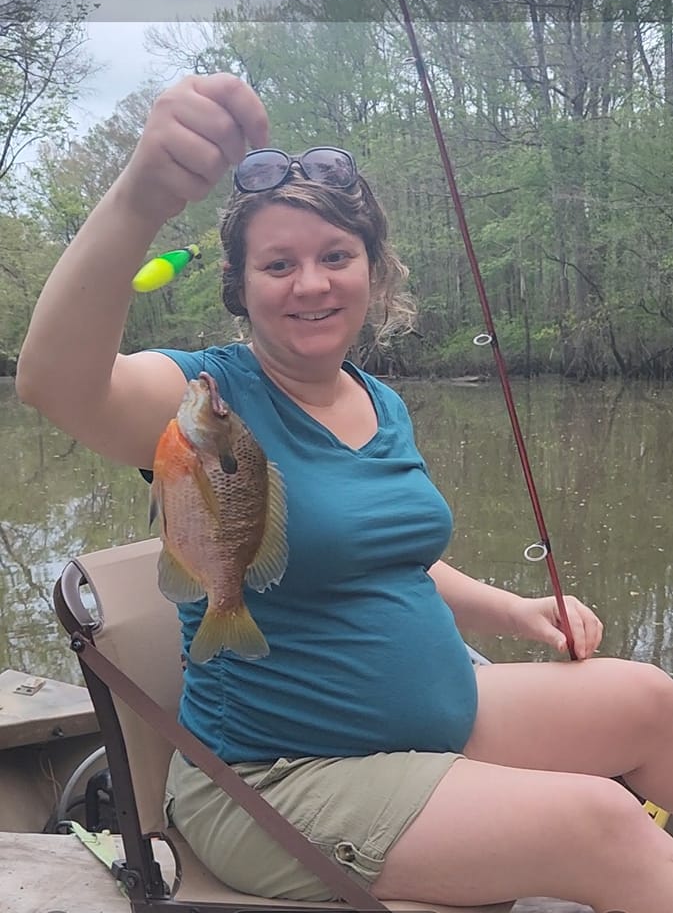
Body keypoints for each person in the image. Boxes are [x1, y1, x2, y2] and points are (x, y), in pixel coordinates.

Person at [16, 72, 673, 913]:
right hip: (280, 779)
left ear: (372, 270)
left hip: (430, 721)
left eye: (335, 256)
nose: (311, 283)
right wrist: (141, 197)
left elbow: (388, 563)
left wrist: (516, 612)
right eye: (278, 264)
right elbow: (56, 383)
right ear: (241, 286)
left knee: (652, 702)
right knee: (598, 819)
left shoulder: (379, 399)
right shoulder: (204, 400)